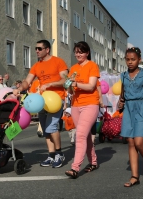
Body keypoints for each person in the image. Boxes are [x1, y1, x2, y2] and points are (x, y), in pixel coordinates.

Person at [12, 39, 68, 168]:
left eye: (39, 48)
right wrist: (20, 88)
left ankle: (59, 154)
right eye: (36, 48)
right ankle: (51, 155)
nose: (36, 51)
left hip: (56, 99)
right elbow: (27, 81)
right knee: (45, 129)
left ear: (47, 50)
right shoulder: (37, 65)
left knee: (52, 127)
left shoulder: (58, 61)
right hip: (42, 101)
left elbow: (66, 80)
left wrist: (50, 84)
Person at [117, 47, 143, 187]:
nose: (130, 62)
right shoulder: (123, 76)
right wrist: (120, 102)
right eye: (127, 59)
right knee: (131, 142)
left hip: (141, 109)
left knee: (139, 142)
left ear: (139, 59)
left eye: (133, 59)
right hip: (128, 109)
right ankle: (134, 176)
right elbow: (122, 94)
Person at [64, 41, 100, 179]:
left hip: (90, 103)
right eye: (76, 52)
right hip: (75, 105)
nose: (78, 54)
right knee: (83, 135)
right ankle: (93, 162)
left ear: (87, 53)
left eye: (81, 52)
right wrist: (67, 85)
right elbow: (70, 89)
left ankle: (75, 168)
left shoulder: (92, 66)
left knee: (79, 135)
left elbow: (91, 86)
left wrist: (75, 83)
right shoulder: (73, 68)